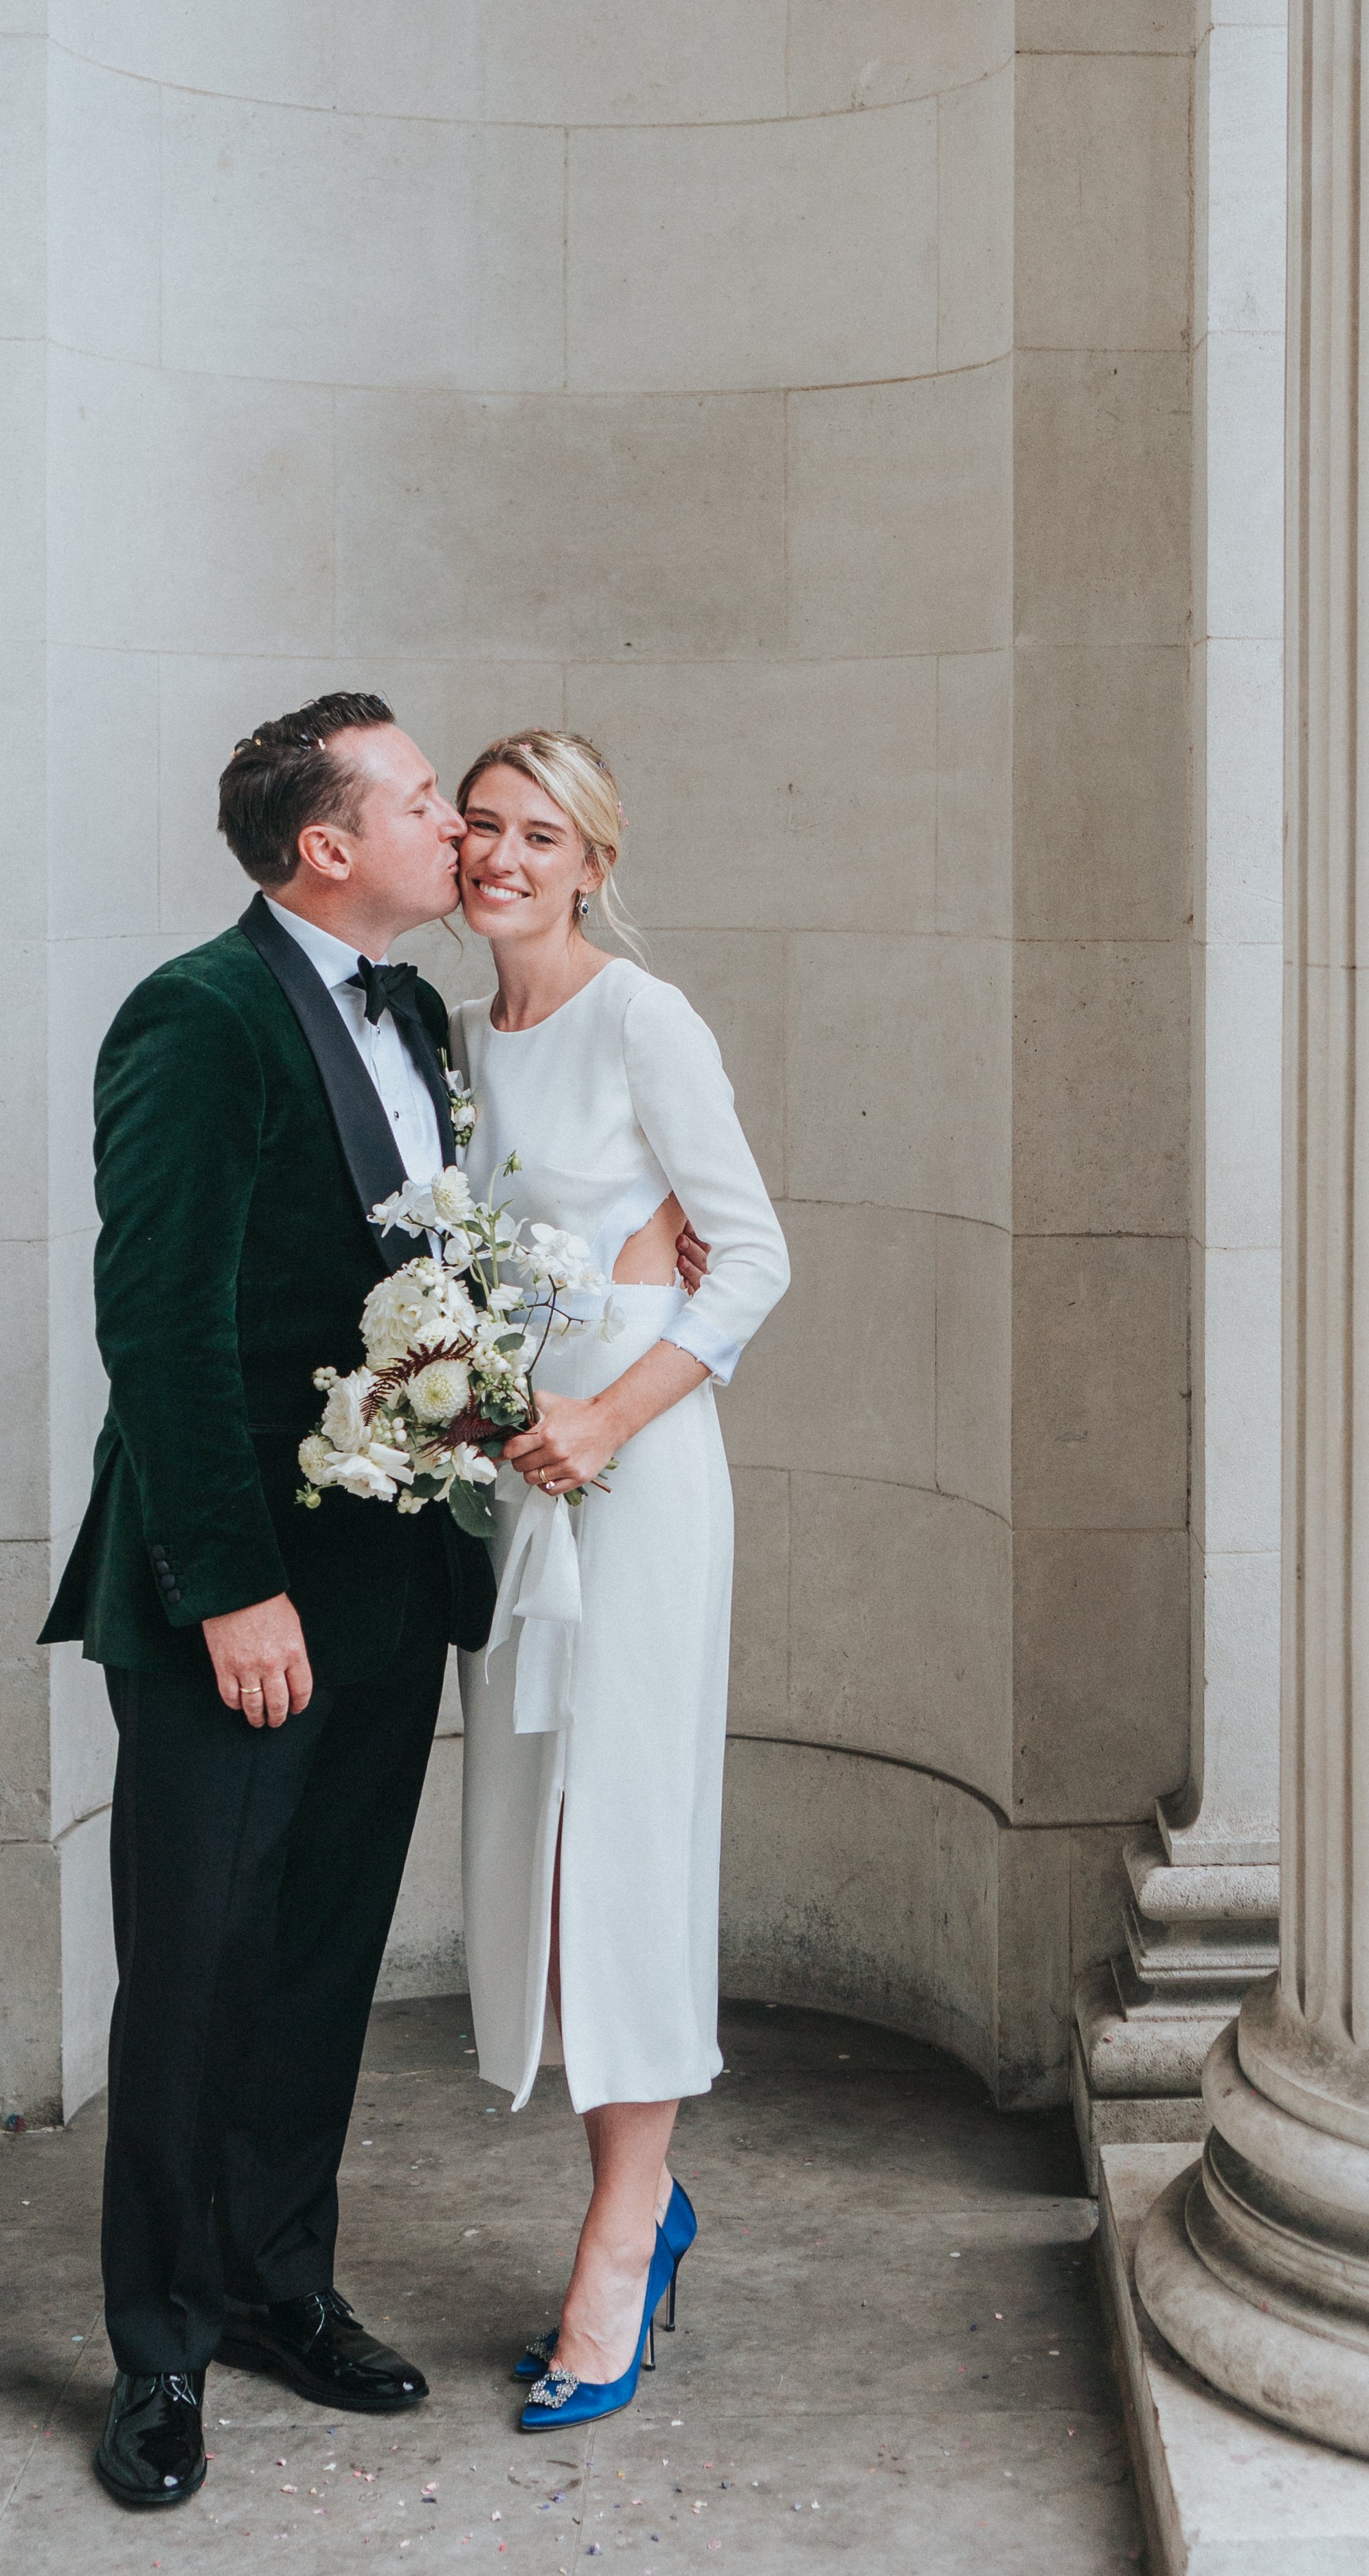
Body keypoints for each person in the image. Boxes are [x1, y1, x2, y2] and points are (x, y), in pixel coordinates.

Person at [40, 694, 503, 2511]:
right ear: (327, 845)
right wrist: (229, 1588)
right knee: (198, 1969)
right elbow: (157, 1323)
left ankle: (273, 2282)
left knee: (319, 1960)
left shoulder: (421, 1017)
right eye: (415, 800)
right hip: (238, 1599)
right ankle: (157, 2343)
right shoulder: (199, 1012)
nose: (451, 824)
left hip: (392, 1583)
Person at [451, 730, 789, 2432]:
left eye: (537, 835)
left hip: (638, 1483)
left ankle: (617, 2238)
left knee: (627, 1837)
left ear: (592, 861)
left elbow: (757, 1254)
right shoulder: (457, 1039)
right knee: (550, 1843)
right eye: (480, 829)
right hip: (520, 1492)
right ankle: (639, 2205)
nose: (499, 857)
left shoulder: (641, 1017)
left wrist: (606, 1410)